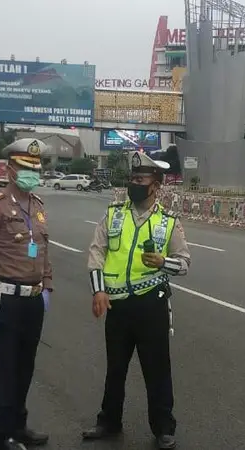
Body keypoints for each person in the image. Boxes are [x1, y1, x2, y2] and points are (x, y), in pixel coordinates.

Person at [82, 151, 191, 450]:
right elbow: (96, 253)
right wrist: (99, 290)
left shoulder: (168, 222)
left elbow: (184, 264)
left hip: (151, 305)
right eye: (132, 179)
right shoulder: (113, 214)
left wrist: (163, 262)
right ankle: (109, 421)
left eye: (141, 179)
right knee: (115, 368)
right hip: (117, 306)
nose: (135, 184)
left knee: (156, 369)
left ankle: (163, 428)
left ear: (156, 185)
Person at [0, 138, 53, 450]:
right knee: (4, 370)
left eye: (37, 168)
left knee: (25, 367)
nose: (33, 173)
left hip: (33, 300)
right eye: (26, 168)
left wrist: (47, 287)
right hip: (5, 300)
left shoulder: (39, 207)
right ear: (11, 170)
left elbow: (44, 252)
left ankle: (19, 426)